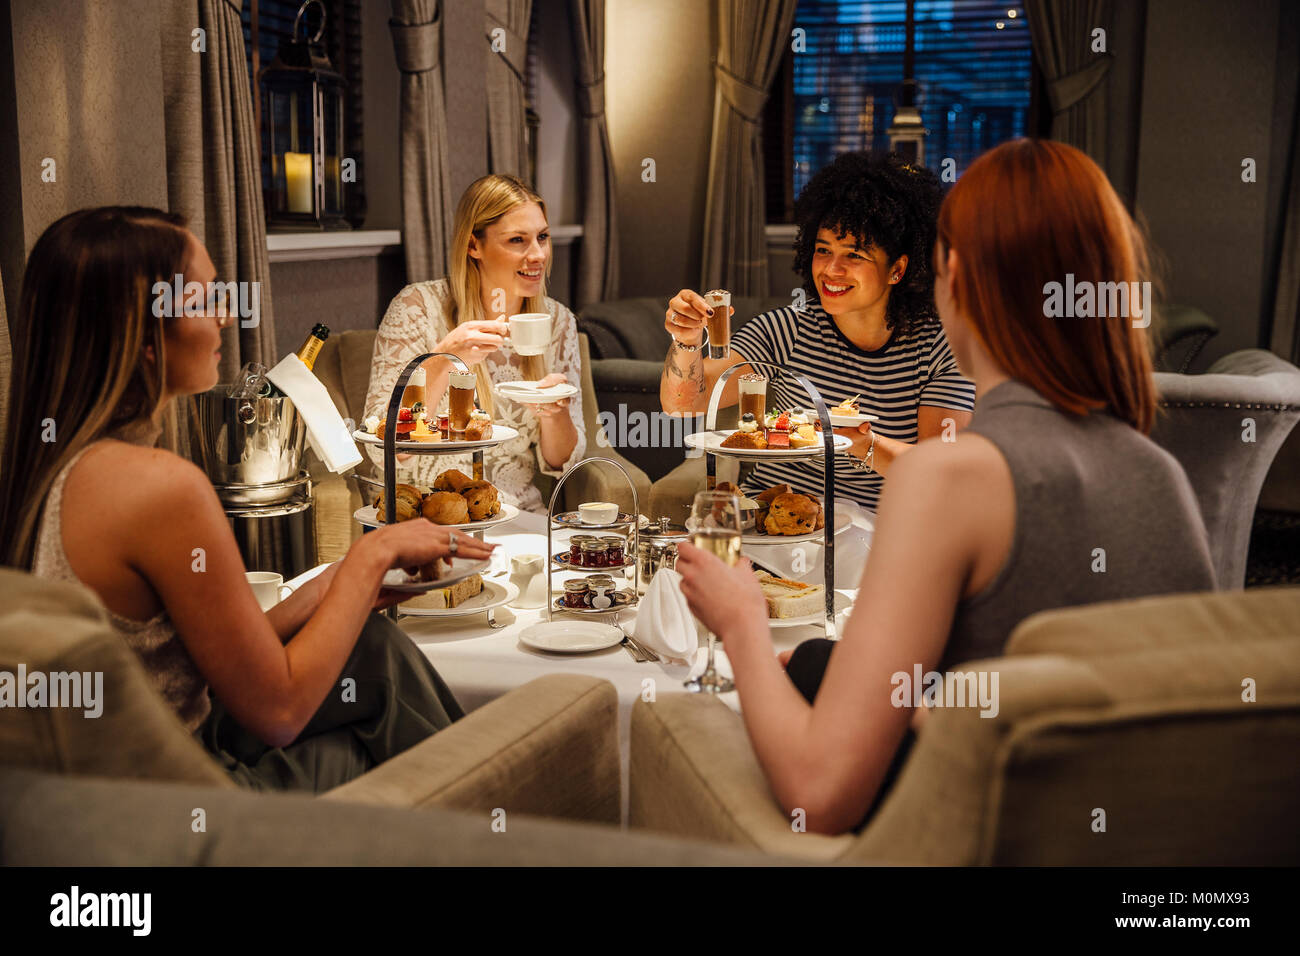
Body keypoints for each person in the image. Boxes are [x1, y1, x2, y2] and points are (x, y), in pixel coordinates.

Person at [673, 140, 1217, 835]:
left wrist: (742, 620)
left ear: (947, 273)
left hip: (977, 836)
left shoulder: (948, 477)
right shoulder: (1160, 475)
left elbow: (821, 791)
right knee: (812, 659)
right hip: (1123, 842)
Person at [0, 206, 495, 791]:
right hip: (185, 797)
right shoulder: (161, 489)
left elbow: (194, 662)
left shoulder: (59, 468)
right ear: (146, 336)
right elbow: (278, 711)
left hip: (122, 780)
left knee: (373, 650)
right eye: (207, 299)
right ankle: (497, 814)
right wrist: (371, 554)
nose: (230, 317)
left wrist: (342, 586)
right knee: (390, 739)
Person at [659, 151, 975, 509]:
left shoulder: (940, 348)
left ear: (897, 269)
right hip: (772, 521)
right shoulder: (786, 330)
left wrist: (857, 443)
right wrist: (686, 342)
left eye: (854, 255)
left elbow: (944, 473)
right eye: (823, 250)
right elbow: (682, 404)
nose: (831, 269)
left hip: (878, 532)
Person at [364, 174, 584, 511]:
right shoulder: (416, 307)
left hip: (515, 513)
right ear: (473, 245)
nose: (538, 254)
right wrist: (443, 357)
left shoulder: (559, 322)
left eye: (542, 237)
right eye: (517, 240)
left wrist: (554, 415)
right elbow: (386, 450)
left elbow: (560, 462)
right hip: (431, 513)